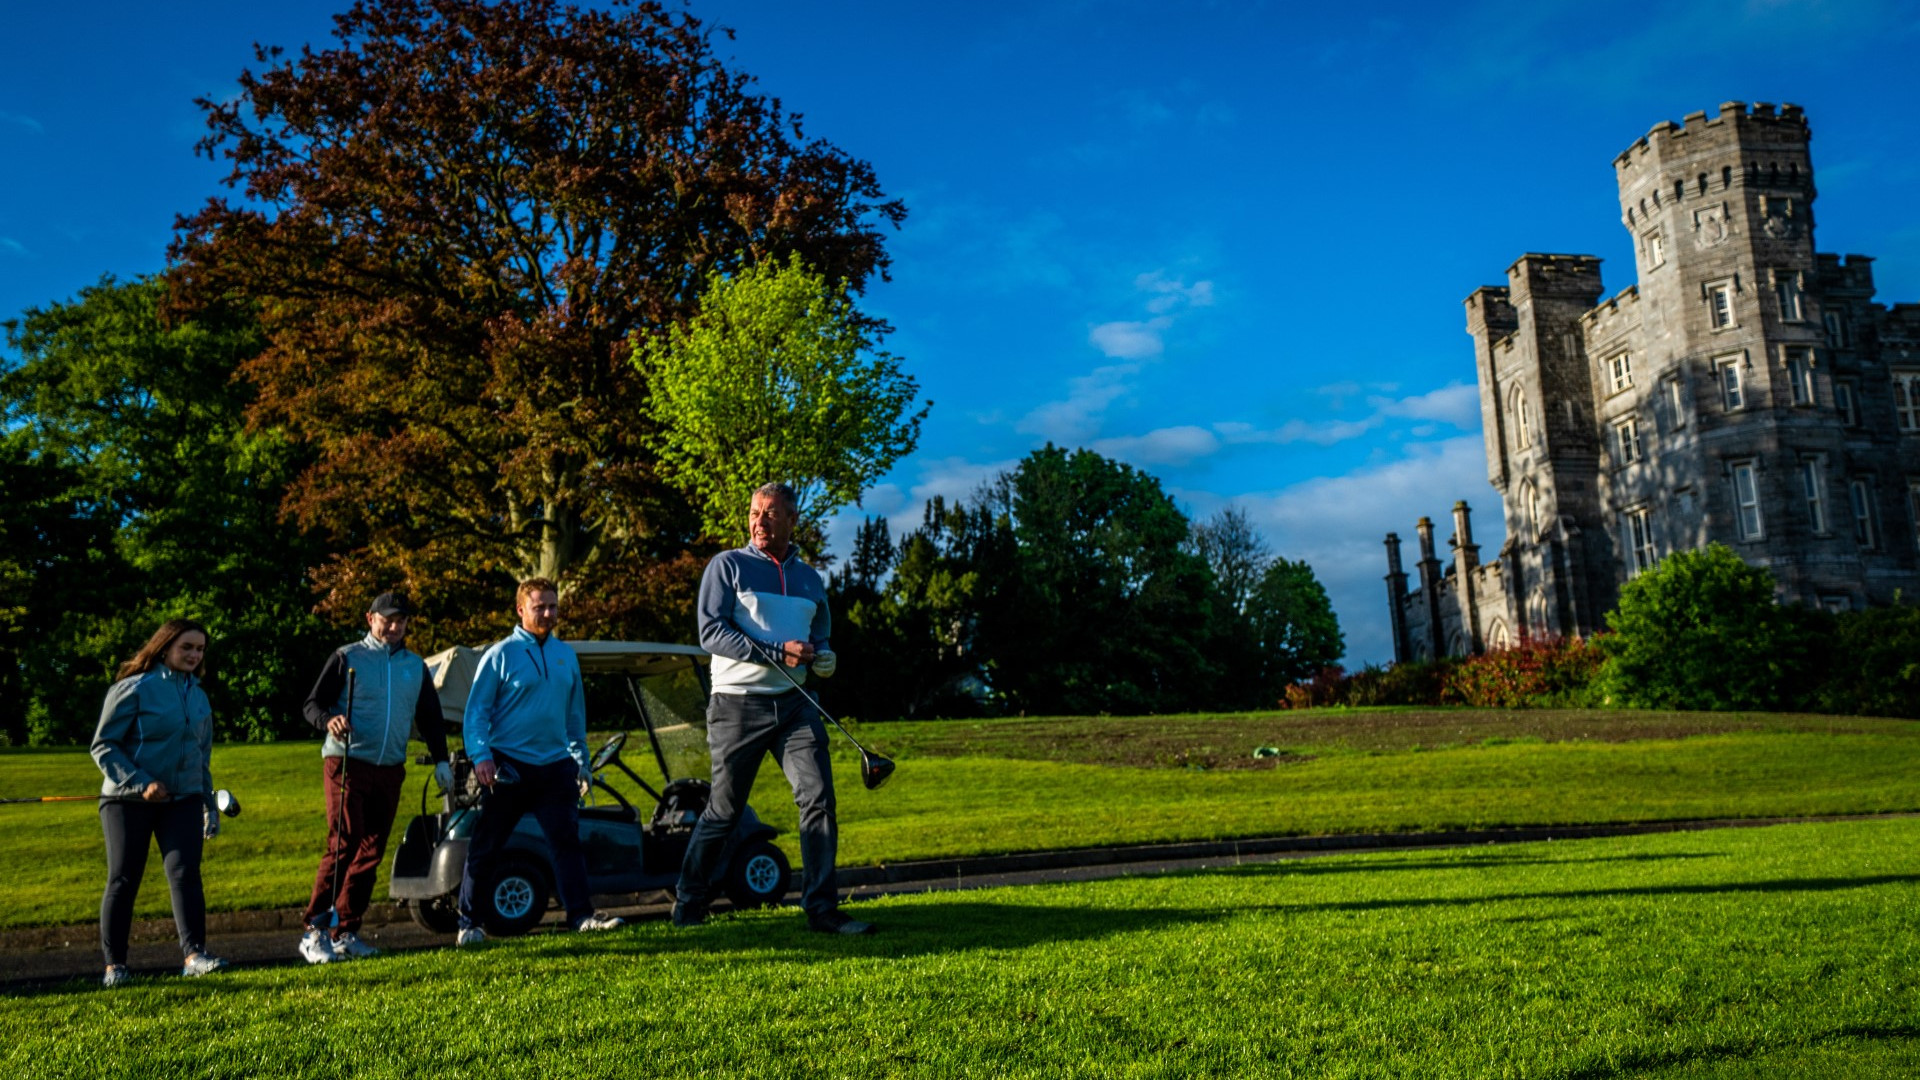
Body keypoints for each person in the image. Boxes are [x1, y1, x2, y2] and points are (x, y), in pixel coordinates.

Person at [674, 481, 872, 934]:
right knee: (723, 813)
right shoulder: (728, 566)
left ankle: (822, 909)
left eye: (769, 514)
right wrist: (775, 651)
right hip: (736, 706)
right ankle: (689, 903)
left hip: (796, 705)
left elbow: (819, 632)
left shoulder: (809, 578)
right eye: (753, 513)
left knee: (819, 798)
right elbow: (711, 633)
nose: (759, 522)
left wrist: (822, 655)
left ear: (791, 520)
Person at [455, 578, 625, 944]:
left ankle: (580, 915)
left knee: (566, 843)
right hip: (507, 767)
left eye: (552, 606)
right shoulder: (500, 655)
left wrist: (581, 762)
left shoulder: (566, 655)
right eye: (539, 607)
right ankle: (470, 923)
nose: (548, 613)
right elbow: (476, 715)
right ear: (521, 610)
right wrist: (481, 756)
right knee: (487, 845)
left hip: (555, 766)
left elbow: (574, 717)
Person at [297, 592, 455, 964]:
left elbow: (431, 718)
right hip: (347, 760)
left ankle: (346, 932)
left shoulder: (415, 666)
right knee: (344, 843)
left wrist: (441, 761)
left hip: (390, 767)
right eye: (387, 619)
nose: (394, 626)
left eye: (401, 620)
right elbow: (312, 705)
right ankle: (315, 931)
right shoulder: (347, 656)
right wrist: (328, 721)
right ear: (370, 619)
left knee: (371, 849)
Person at [90, 618, 230, 986]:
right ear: (165, 646)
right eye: (186, 647)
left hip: (182, 801)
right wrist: (141, 782)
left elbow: (202, 755)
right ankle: (115, 966)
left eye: (199, 649)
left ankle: (194, 956)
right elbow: (104, 746)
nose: (194, 655)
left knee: (186, 873)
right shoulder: (133, 688)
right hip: (125, 801)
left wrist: (208, 804)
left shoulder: (198, 696)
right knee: (124, 878)